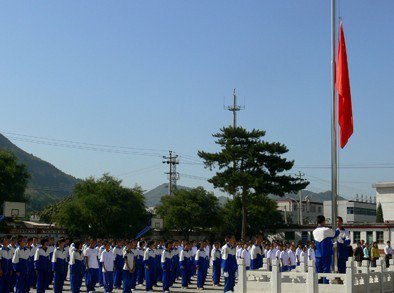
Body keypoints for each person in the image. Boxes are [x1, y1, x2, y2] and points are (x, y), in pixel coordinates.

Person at [312, 215, 339, 282]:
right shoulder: (326, 230)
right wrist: (338, 228)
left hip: (317, 255)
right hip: (326, 254)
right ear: (324, 221)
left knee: (319, 273)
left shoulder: (314, 231)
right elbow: (335, 234)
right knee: (326, 272)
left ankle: (318, 288)